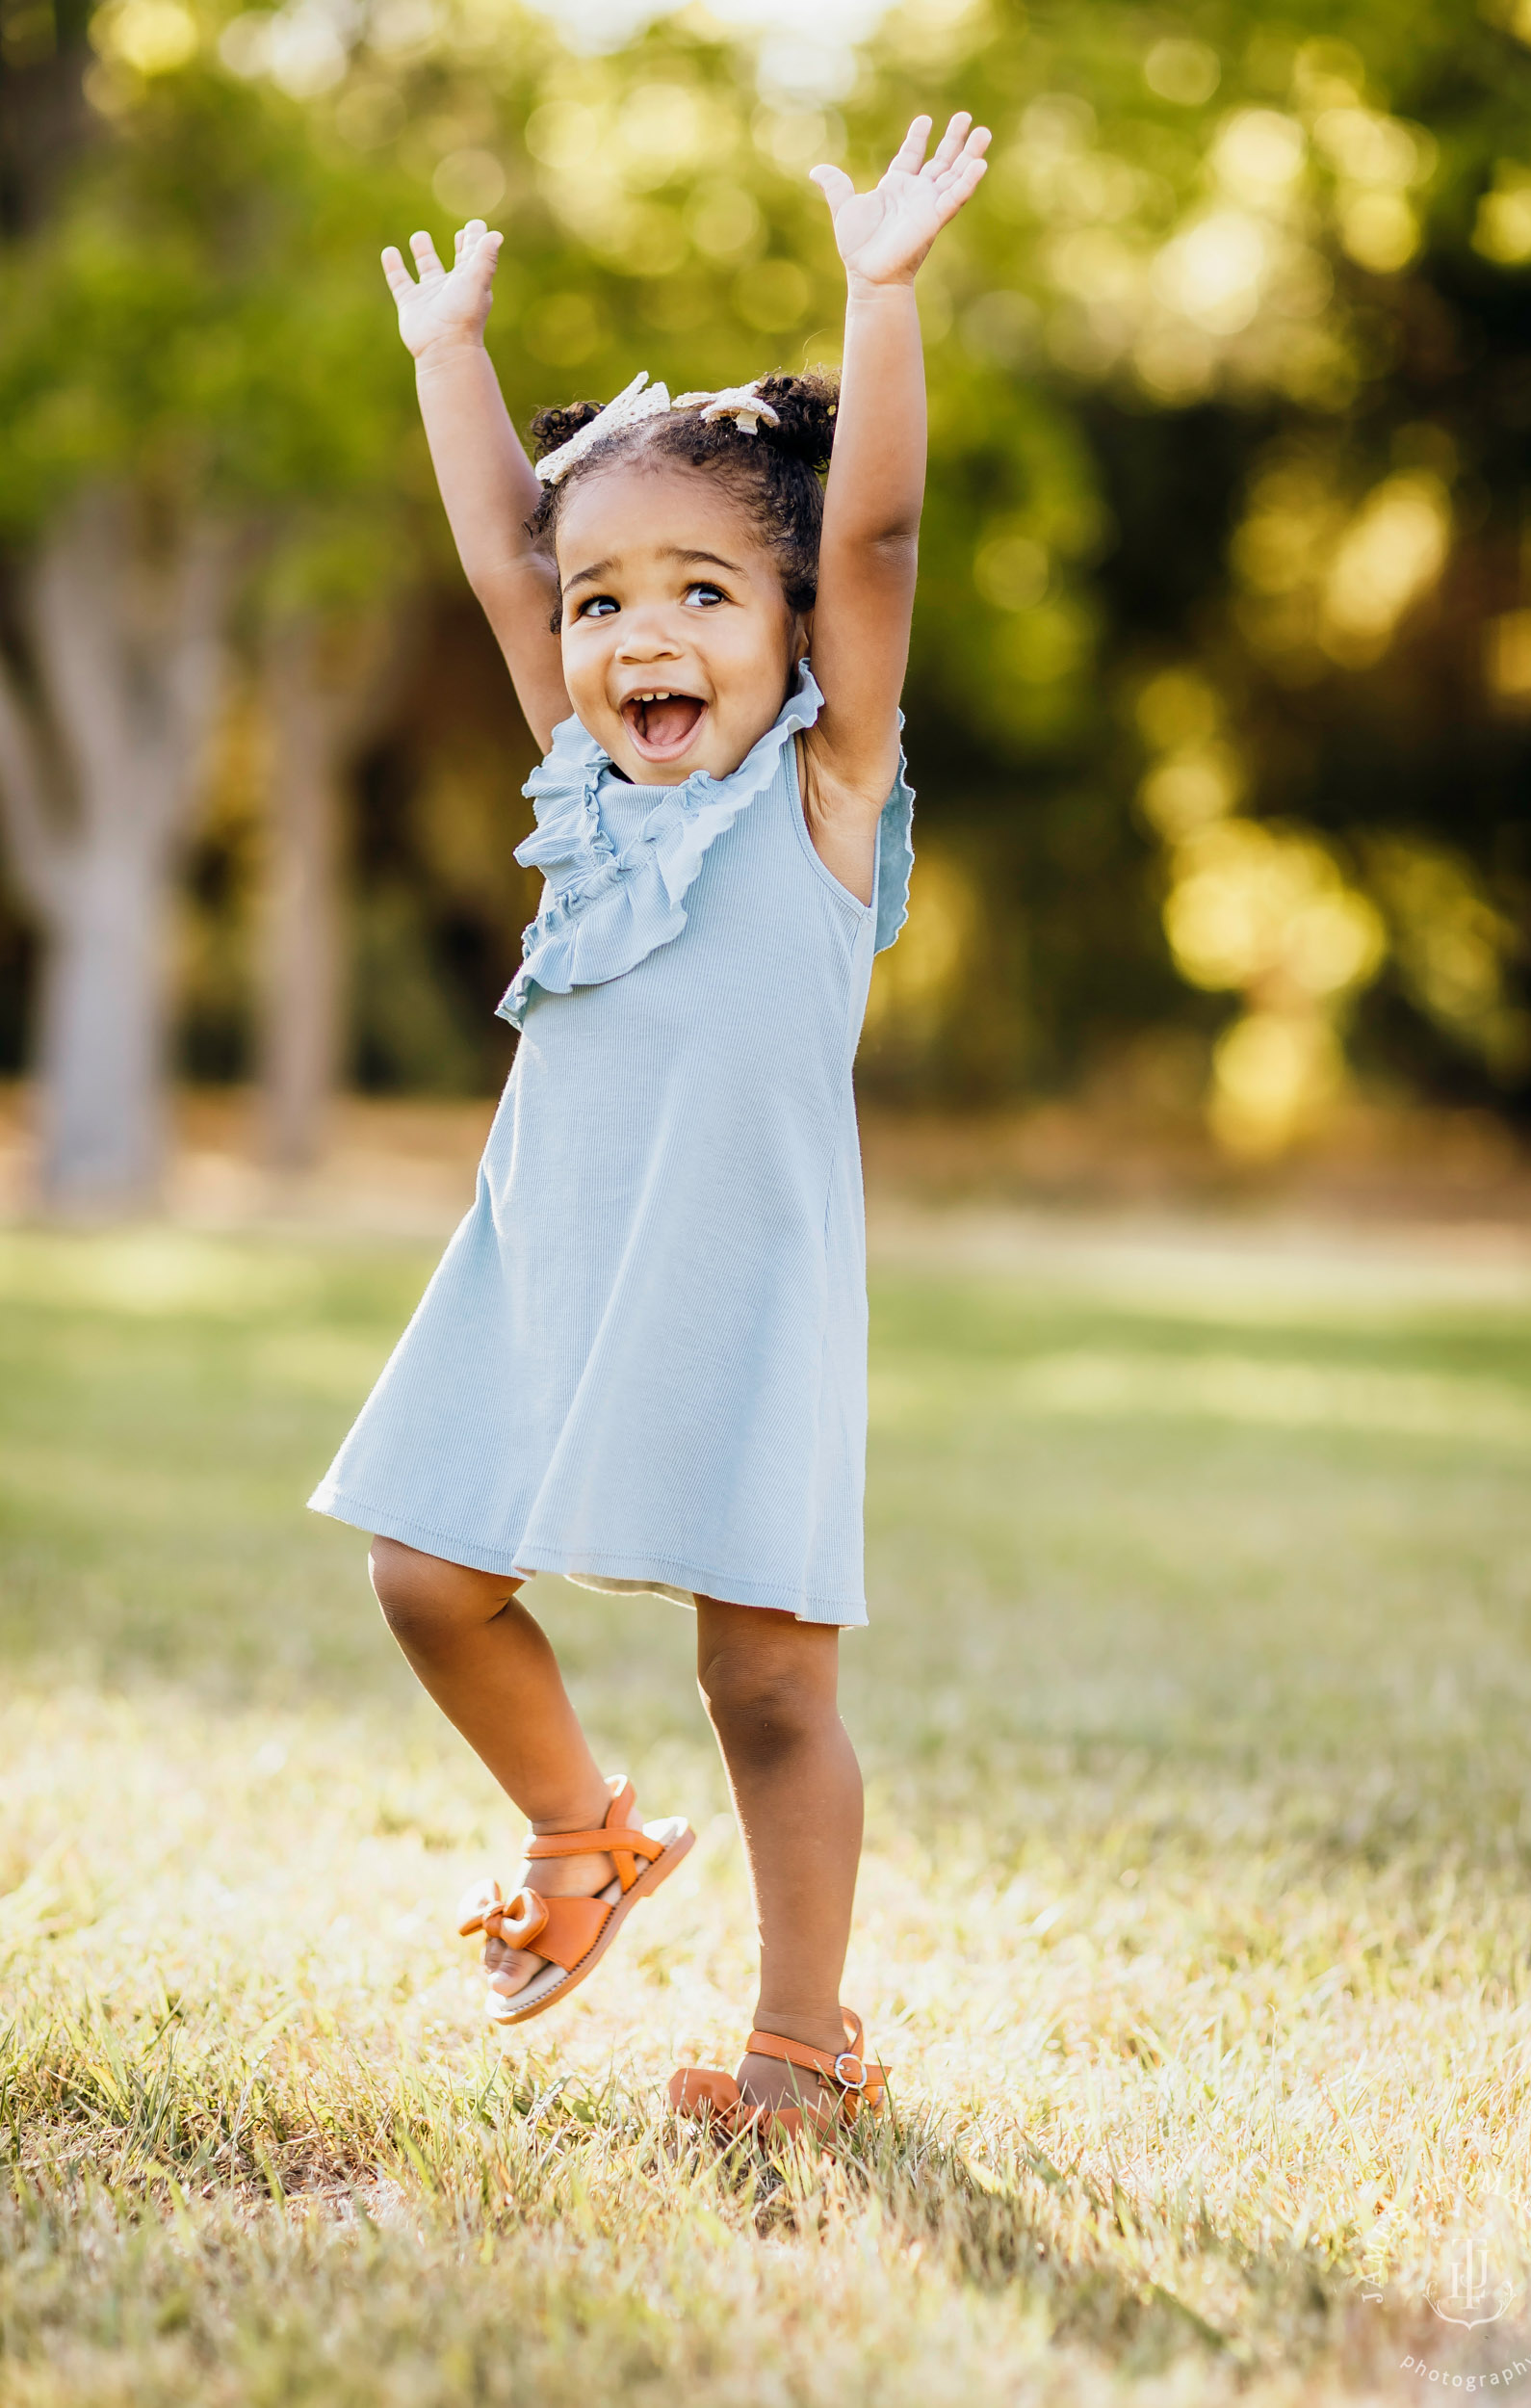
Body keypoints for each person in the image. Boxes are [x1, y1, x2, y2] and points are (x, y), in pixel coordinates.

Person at [309, 111, 990, 2134]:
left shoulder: (820, 793)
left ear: (787, 629)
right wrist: (451, 359)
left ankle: (802, 2043)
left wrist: (881, 300)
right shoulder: (585, 794)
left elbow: (872, 538)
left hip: (744, 1293)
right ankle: (579, 1833)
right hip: (545, 1263)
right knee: (425, 1575)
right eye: (606, 605)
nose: (637, 636)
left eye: (701, 590)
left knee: (769, 1689)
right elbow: (502, 560)